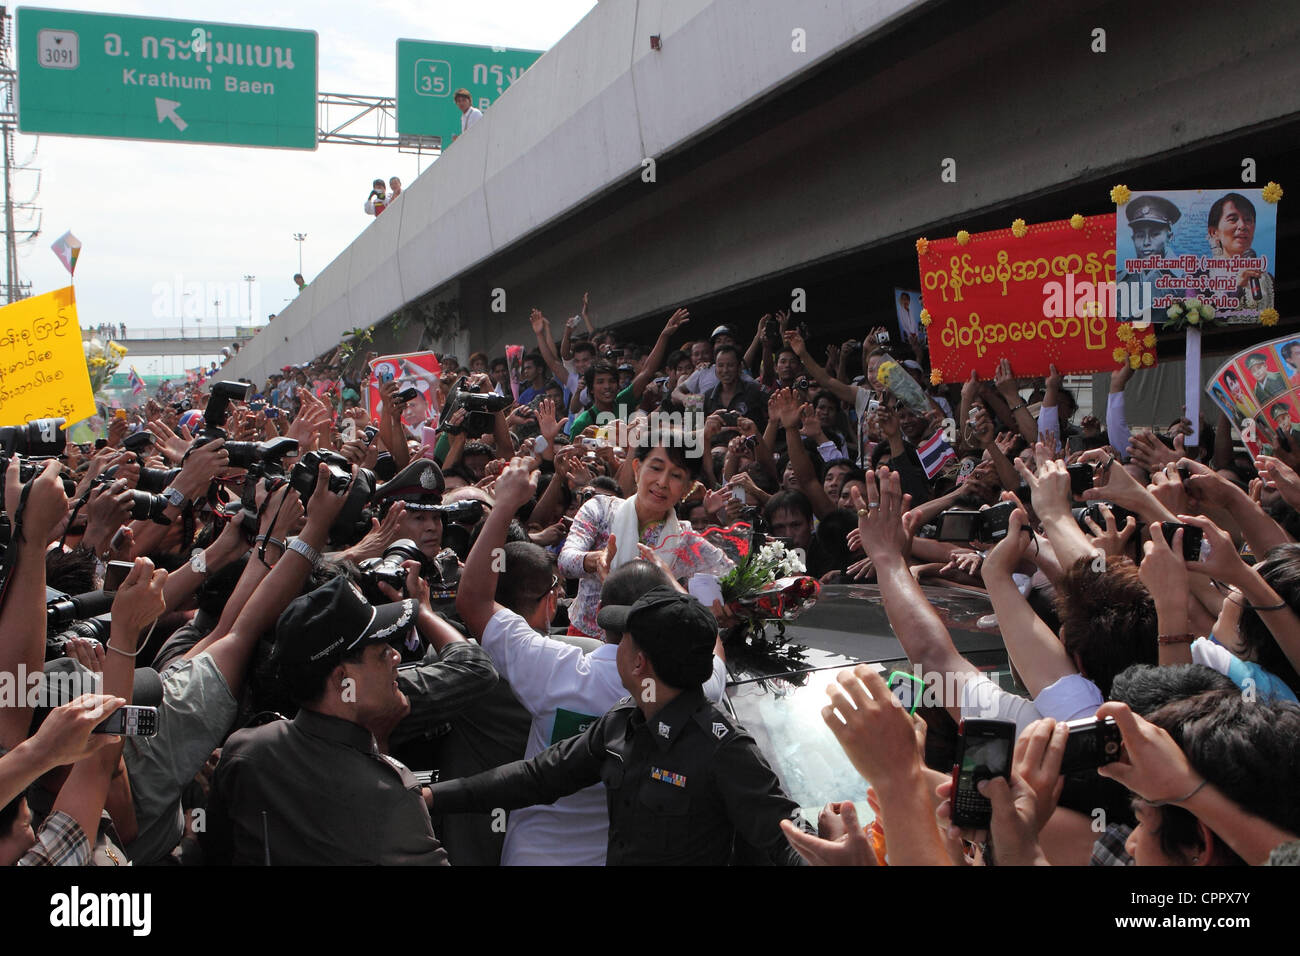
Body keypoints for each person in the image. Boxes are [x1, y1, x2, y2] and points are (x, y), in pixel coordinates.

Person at [457, 457, 730, 865]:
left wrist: (503, 506)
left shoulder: (554, 668)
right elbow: (708, 641)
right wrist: (672, 586)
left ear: (600, 609)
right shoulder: (690, 688)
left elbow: (473, 602)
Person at [430, 585, 811, 865]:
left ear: (638, 663)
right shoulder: (623, 721)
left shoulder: (724, 750)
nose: (610, 647)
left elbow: (789, 841)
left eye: (621, 640)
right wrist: (433, 797)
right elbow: (538, 777)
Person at [201, 576, 452, 865]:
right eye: (382, 652)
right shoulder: (389, 796)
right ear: (343, 681)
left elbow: (214, 851)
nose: (396, 657)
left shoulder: (245, 751)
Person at [558, 433, 733, 638]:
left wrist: (728, 608)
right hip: (587, 642)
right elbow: (565, 561)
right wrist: (594, 559)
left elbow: (733, 576)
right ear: (637, 468)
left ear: (687, 488)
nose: (662, 482)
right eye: (656, 468)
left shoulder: (686, 540)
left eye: (676, 475)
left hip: (648, 652)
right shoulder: (600, 510)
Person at [1202, 191, 1274, 315]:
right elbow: (1201, 321)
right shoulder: (1199, 278)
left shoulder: (1269, 280)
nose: (1242, 226)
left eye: (1248, 220)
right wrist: (1237, 286)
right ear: (1214, 232)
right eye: (1233, 219)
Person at [1115, 194, 1187, 313]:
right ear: (1133, 238)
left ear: (1169, 237)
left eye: (1155, 234)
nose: (1146, 242)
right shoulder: (1121, 279)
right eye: (1140, 235)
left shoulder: (1184, 280)